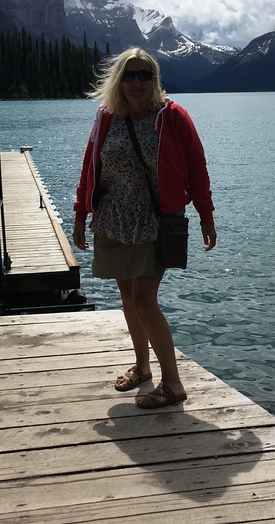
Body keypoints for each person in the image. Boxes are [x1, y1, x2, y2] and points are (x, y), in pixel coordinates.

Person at [73, 47, 217, 409]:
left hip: (154, 220)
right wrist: (79, 214)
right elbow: (89, 169)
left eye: (144, 75)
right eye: (129, 75)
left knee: (142, 299)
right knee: (127, 298)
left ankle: (173, 383)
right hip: (112, 218)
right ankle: (142, 367)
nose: (136, 82)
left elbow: (197, 171)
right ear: (118, 80)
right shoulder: (106, 118)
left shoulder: (173, 116)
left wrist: (206, 216)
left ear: (155, 80)